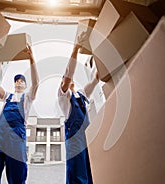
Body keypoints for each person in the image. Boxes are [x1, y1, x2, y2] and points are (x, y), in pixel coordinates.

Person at [0, 45, 39, 184]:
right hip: (0, 135)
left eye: (22, 81)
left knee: (17, 173)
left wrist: (31, 58)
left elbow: (36, 82)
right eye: (17, 81)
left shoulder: (28, 98)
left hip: (17, 136)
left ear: (25, 86)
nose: (19, 82)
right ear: (14, 84)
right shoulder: (6, 96)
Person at [58, 35, 99, 184]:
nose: (67, 80)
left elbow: (96, 78)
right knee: (77, 176)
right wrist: (75, 49)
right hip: (75, 142)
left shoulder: (81, 94)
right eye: (64, 79)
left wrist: (99, 52)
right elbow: (69, 74)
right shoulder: (63, 97)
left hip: (87, 140)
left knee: (90, 175)